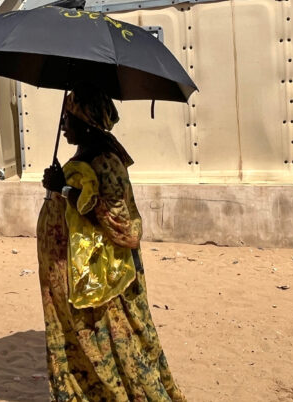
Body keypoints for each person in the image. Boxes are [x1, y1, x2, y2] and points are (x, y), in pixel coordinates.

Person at [37, 85, 187, 401]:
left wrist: (64, 190)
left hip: (102, 282)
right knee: (82, 344)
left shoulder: (106, 162)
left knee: (116, 345)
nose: (63, 125)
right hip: (72, 275)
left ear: (87, 121)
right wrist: (56, 188)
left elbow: (124, 227)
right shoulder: (85, 155)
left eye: (68, 117)